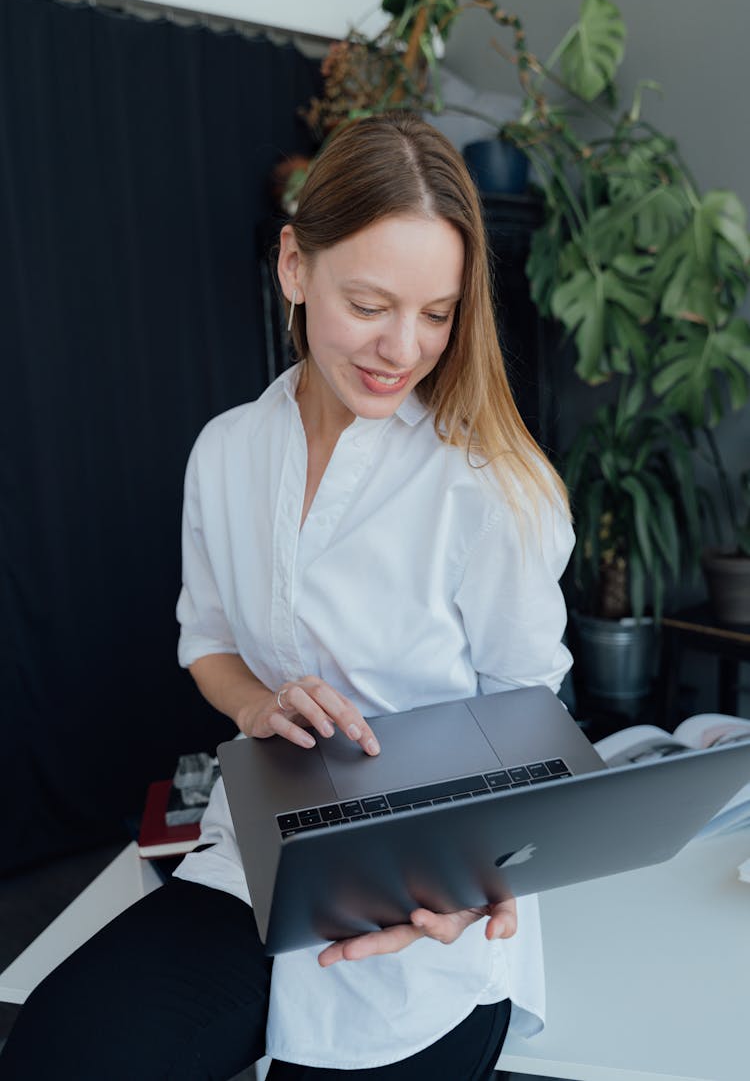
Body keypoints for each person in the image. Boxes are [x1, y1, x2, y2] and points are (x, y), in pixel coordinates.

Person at [0, 111, 574, 1081]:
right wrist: (258, 705)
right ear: (294, 268)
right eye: (369, 303)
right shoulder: (226, 452)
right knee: (55, 1055)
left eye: (437, 313)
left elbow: (532, 729)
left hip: (429, 895)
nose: (404, 348)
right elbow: (208, 643)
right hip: (258, 859)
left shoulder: (493, 487)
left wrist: (471, 886)